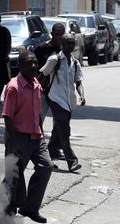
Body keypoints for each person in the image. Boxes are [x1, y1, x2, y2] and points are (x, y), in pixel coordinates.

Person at [1, 51, 53, 224]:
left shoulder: (37, 84)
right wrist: (14, 144)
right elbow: (7, 117)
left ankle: (30, 208)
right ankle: (5, 210)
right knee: (14, 175)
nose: (33, 66)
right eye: (29, 63)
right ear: (21, 66)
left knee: (46, 166)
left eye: (35, 63)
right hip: (17, 136)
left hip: (36, 136)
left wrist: (42, 134)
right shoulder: (13, 86)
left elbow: (38, 114)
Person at [40, 34, 85, 173]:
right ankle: (72, 161)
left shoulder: (75, 62)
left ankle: (48, 155)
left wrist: (82, 95)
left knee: (57, 133)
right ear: (62, 44)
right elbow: (42, 75)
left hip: (69, 102)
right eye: (68, 43)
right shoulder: (55, 59)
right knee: (65, 132)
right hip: (56, 99)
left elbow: (78, 82)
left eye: (73, 44)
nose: (71, 46)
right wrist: (34, 92)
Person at [34, 22, 66, 128]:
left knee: (58, 121)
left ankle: (54, 144)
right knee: (39, 118)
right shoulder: (41, 49)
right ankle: (38, 142)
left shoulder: (65, 51)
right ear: (52, 34)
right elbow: (34, 69)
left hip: (58, 91)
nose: (59, 37)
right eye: (57, 34)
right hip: (43, 90)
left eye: (62, 34)